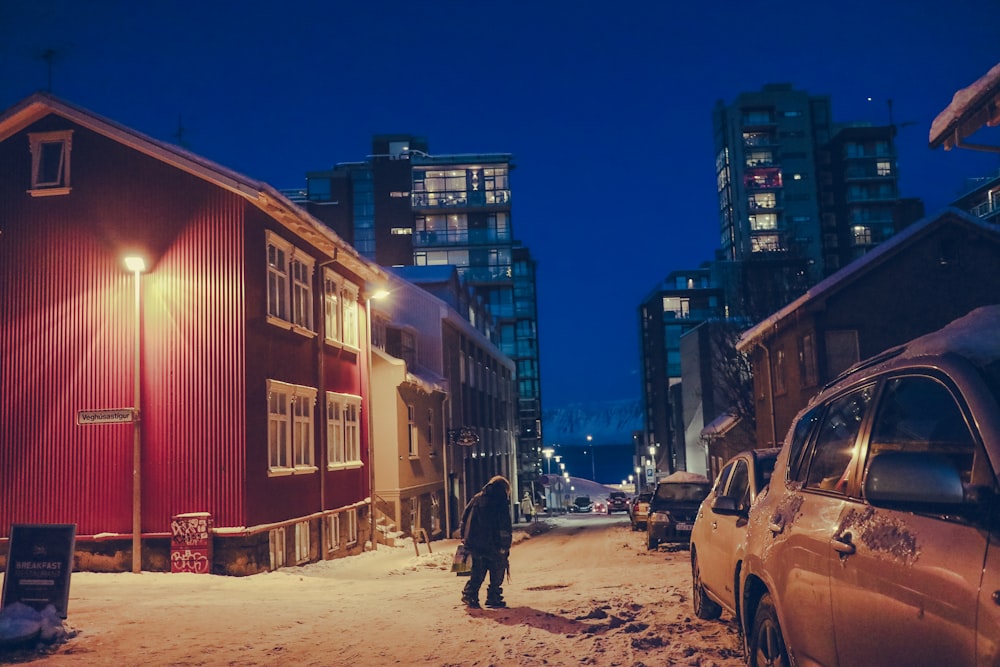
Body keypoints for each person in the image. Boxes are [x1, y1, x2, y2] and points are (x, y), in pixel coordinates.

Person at [459, 476, 513, 609]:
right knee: (497, 569)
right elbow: (504, 525)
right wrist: (504, 545)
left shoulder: (476, 498)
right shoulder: (501, 501)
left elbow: (464, 518)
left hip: (474, 542)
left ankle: (470, 595)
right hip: (493, 543)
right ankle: (493, 597)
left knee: (477, 571)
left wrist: (464, 537)